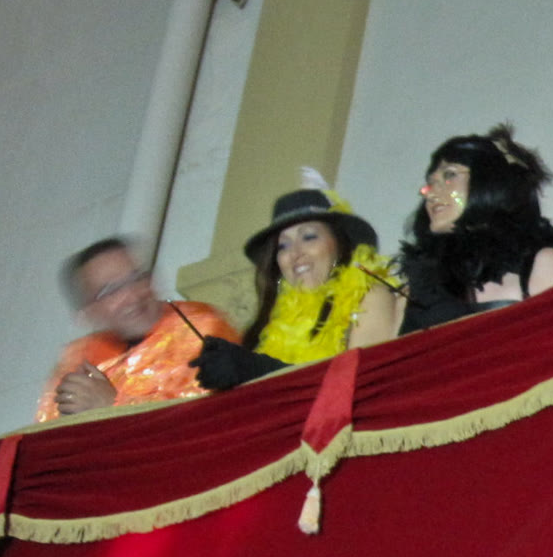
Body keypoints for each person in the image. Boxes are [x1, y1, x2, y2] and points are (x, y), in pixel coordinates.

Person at [192, 178, 401, 390]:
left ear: (340, 244)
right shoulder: (269, 327)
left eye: (308, 237)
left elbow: (361, 385)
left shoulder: (369, 296)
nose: (295, 253)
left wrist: (260, 370)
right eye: (283, 245)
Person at [397, 124, 553, 334]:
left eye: (449, 175)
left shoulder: (540, 263)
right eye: (430, 183)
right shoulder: (420, 280)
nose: (431, 194)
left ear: (490, 181)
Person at [36, 238, 238, 422]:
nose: (133, 296)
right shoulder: (77, 361)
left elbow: (210, 418)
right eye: (111, 291)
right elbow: (50, 436)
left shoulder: (200, 329)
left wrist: (112, 406)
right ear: (87, 314)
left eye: (137, 278)